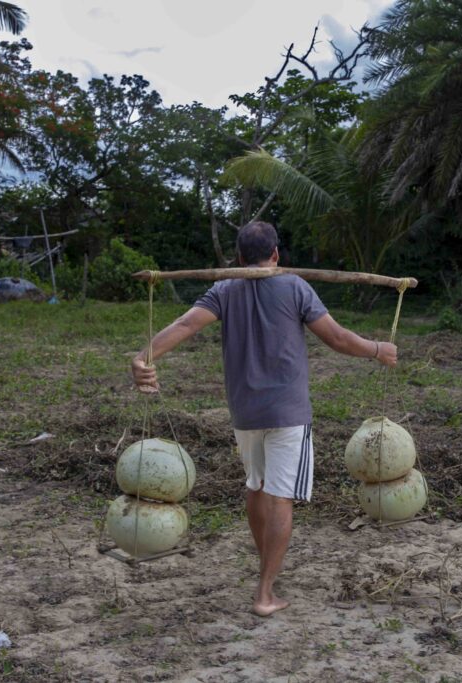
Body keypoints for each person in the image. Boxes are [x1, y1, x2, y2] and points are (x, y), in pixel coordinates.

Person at [130, 221, 397, 617]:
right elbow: (337, 338)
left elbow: (185, 325)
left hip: (245, 411)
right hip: (288, 413)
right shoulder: (293, 286)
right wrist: (378, 349)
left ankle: (266, 566)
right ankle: (265, 592)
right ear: (275, 255)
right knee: (279, 498)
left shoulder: (225, 289)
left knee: (257, 487)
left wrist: (144, 355)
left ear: (238, 258)